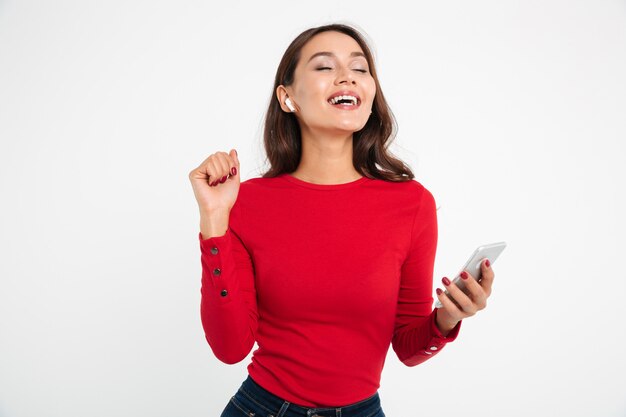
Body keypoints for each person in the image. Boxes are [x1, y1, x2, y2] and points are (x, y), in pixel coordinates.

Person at [188, 23, 496, 417]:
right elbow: (229, 348)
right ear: (287, 98)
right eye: (323, 67)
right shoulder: (246, 202)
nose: (347, 76)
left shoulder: (411, 205)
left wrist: (448, 317)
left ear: (369, 95)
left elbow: (408, 346)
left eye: (360, 68)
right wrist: (214, 219)